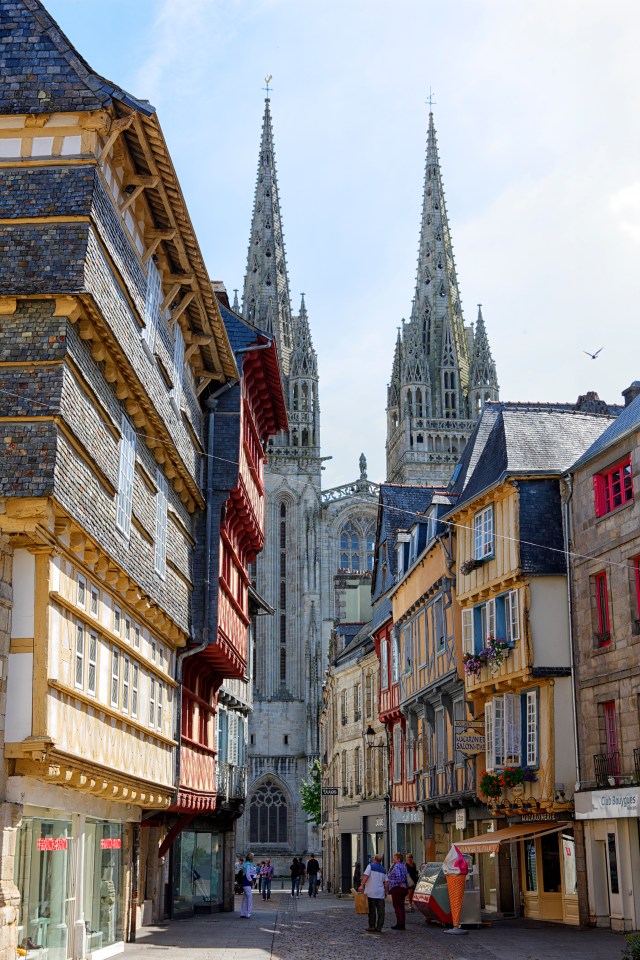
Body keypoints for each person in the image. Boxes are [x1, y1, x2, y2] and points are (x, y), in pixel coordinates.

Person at [359, 853, 388, 934]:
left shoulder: (370, 866)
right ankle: (379, 927)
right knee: (381, 911)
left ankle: (372, 926)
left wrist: (362, 885)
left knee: (372, 910)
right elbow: (386, 882)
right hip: (380, 893)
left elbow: (366, 876)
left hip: (371, 892)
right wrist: (386, 891)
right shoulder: (384, 869)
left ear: (374, 859)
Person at [387, 852, 408, 930]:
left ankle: (399, 923)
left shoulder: (396, 866)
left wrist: (400, 883)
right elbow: (406, 875)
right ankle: (402, 923)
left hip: (397, 888)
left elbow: (398, 876)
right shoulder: (403, 866)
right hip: (403, 888)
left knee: (397, 906)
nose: (393, 859)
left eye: (395, 858)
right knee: (401, 906)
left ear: (398, 859)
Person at [240, 853, 257, 918]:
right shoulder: (248, 864)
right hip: (247, 882)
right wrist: (251, 880)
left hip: (247, 882)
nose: (253, 858)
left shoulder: (249, 864)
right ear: (250, 858)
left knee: (245, 898)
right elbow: (247, 873)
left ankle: (243, 913)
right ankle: (248, 913)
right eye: (252, 857)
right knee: (250, 897)